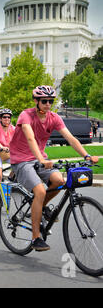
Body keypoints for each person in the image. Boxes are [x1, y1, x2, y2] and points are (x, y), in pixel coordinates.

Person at [9, 85, 99, 252]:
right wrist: (41, 159)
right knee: (40, 191)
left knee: (59, 181)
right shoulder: (26, 115)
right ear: (36, 101)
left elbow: (70, 138)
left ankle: (40, 208)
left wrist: (86, 156)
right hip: (21, 160)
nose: (48, 104)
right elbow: (30, 138)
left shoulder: (54, 117)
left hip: (40, 159)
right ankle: (36, 237)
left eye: (51, 101)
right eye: (44, 101)